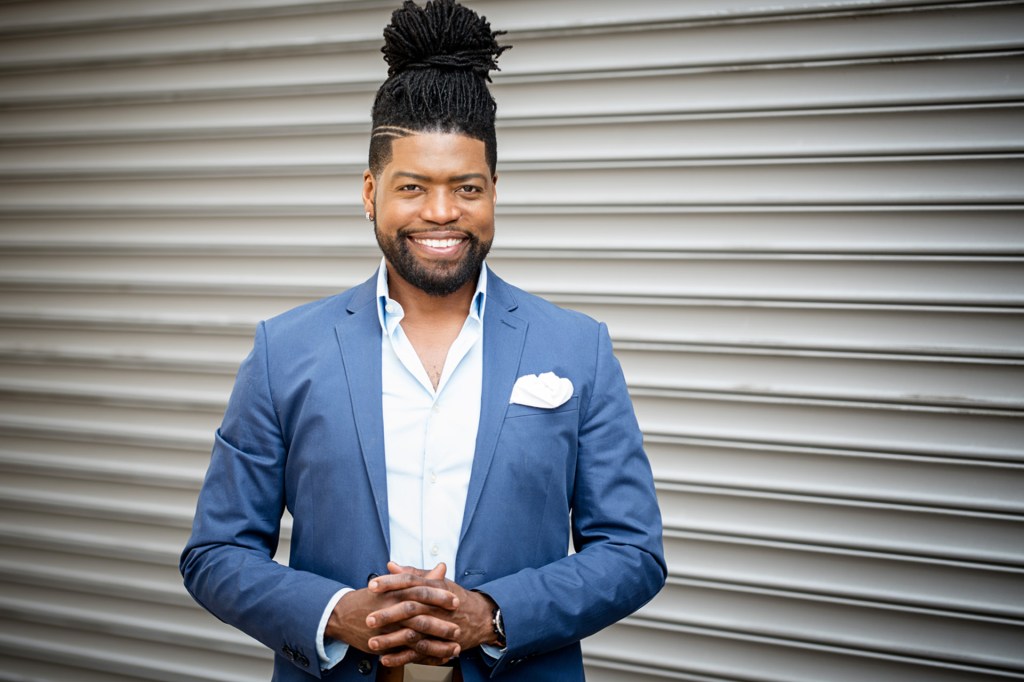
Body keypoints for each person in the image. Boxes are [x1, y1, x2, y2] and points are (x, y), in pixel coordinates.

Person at [179, 1, 666, 680]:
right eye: (413, 187)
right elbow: (216, 553)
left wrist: (495, 614)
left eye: (466, 187)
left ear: (495, 190)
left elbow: (634, 551)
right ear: (371, 192)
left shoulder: (577, 347)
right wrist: (335, 614)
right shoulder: (284, 351)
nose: (442, 212)